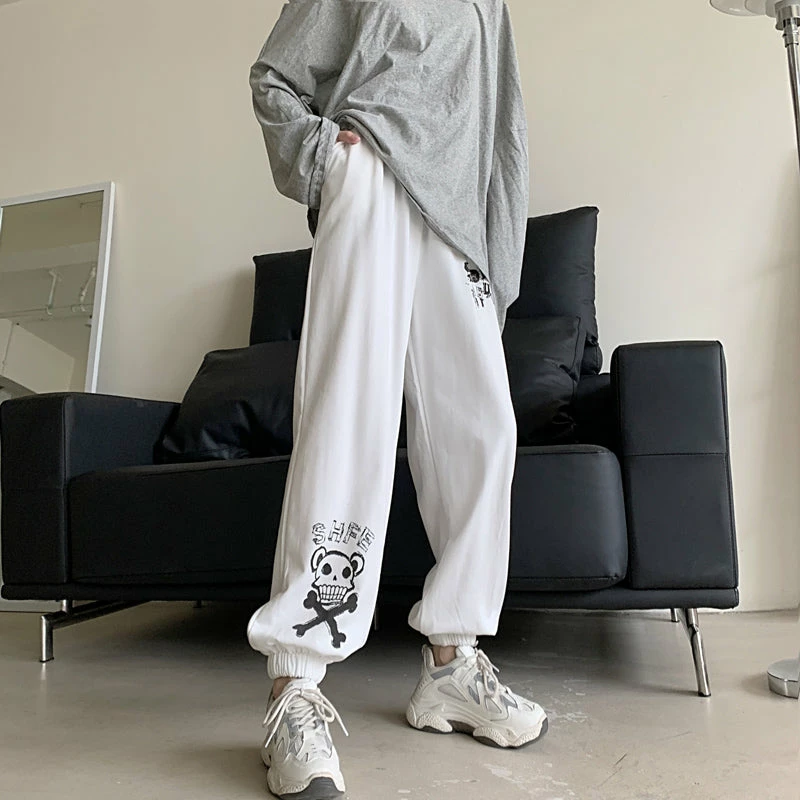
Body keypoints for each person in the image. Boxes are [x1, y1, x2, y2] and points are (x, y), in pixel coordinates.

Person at [246, 2, 546, 797]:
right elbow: (276, 75)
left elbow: (502, 127)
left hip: (458, 222)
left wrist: (499, 261)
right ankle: (294, 682)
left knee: (484, 431)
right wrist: (324, 160)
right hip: (371, 178)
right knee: (348, 418)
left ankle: (452, 661)